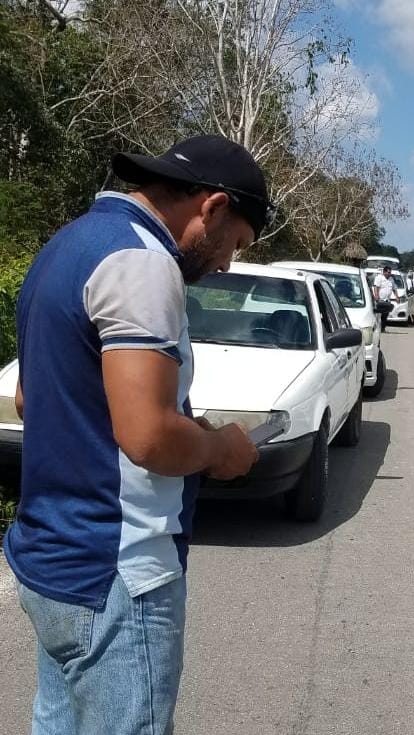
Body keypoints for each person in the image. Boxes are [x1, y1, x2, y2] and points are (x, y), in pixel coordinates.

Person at [5, 134, 270, 735]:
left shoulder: (67, 245)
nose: (227, 262)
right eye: (235, 243)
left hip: (51, 560)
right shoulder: (143, 263)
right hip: (118, 572)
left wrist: (176, 426)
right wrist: (219, 448)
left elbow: (31, 398)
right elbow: (149, 437)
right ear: (214, 207)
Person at [373, 265, 395, 332]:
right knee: (378, 315)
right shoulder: (379, 278)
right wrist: (376, 296)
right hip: (380, 300)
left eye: (390, 272)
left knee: (385, 315)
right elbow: (376, 287)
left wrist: (396, 296)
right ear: (384, 272)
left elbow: (394, 288)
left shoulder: (391, 279)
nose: (389, 273)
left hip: (387, 300)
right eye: (388, 272)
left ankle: (383, 328)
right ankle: (375, 328)